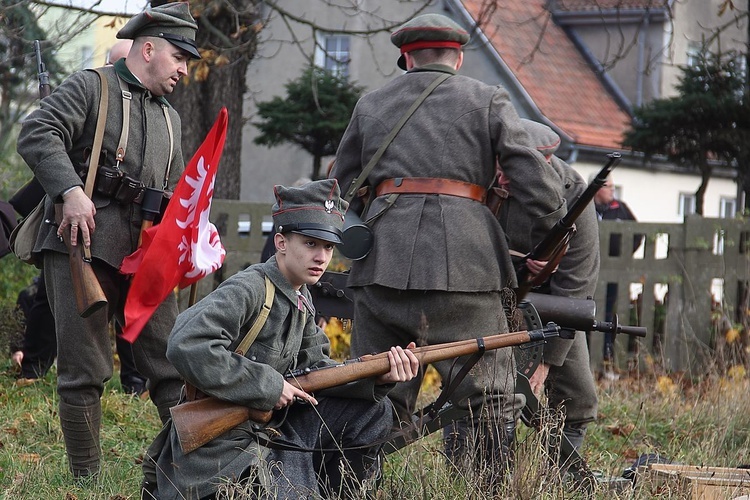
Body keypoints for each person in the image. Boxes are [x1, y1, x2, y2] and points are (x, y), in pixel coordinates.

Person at [330, 13, 566, 483]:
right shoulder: (489, 100)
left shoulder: (371, 103)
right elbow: (541, 193)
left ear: (407, 58)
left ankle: (349, 486)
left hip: (382, 265)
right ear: (457, 58)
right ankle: (481, 489)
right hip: (469, 268)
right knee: (489, 396)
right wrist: (510, 239)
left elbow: (338, 188)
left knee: (373, 386)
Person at [142, 179, 419, 500]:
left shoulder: (300, 298)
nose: (321, 256)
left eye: (328, 247)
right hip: (226, 445)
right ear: (281, 242)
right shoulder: (250, 288)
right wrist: (267, 386)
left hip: (274, 427)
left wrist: (375, 376)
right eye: (310, 244)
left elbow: (316, 370)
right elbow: (185, 343)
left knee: (374, 411)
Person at [15, 2, 201, 479]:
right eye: (179, 57)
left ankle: (193, 468)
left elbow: (176, 189)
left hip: (144, 254)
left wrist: (193, 229)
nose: (184, 69)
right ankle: (86, 477)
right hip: (83, 242)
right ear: (148, 48)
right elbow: (37, 130)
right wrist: (70, 190)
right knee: (85, 367)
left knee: (168, 362)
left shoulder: (170, 119)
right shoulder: (91, 86)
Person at [500, 119, 599, 472]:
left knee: (576, 393)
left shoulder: (574, 193)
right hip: (491, 298)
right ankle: (486, 471)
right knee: (484, 391)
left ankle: (558, 478)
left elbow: (576, 287)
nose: (504, 178)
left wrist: (545, 359)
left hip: (553, 306)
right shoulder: (485, 182)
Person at [592, 173, 638, 372]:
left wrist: (625, 253)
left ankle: (607, 353)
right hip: (590, 271)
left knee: (609, 312)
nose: (612, 190)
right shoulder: (587, 208)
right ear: (597, 188)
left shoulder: (621, 208)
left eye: (613, 186)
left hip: (614, 274)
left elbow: (638, 233)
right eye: (608, 186)